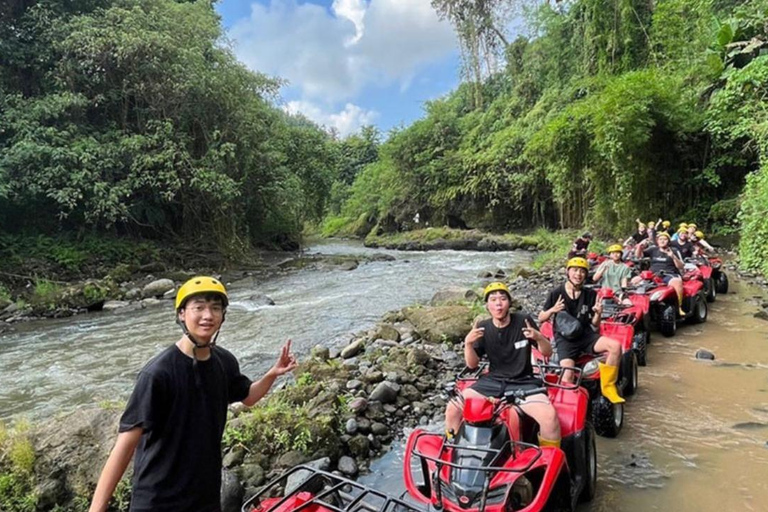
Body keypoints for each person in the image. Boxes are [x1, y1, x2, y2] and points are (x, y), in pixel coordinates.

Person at [89, 277, 298, 512]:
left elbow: (248, 397)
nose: (207, 315)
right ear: (181, 314)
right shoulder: (158, 374)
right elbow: (125, 445)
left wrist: (272, 374)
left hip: (204, 497)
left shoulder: (223, 361)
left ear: (223, 315)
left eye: (215, 308)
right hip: (158, 501)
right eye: (198, 307)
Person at [444, 282, 561, 448]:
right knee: (452, 408)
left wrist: (539, 337)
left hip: (523, 381)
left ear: (509, 303)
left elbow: (547, 353)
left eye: (502, 299)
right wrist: (468, 344)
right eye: (493, 299)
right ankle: (452, 452)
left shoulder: (523, 320)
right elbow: (472, 364)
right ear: (487, 305)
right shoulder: (483, 327)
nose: (498, 303)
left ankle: (549, 464)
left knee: (549, 418)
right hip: (492, 382)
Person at [538, 258, 625, 404]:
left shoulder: (590, 294)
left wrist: (598, 313)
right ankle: (569, 406)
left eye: (582, 271)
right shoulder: (556, 293)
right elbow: (541, 318)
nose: (578, 274)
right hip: (565, 339)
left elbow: (595, 324)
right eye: (575, 270)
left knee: (615, 347)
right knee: (567, 375)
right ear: (568, 272)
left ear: (585, 275)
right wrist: (553, 310)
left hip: (586, 335)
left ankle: (608, 386)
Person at [633, 232, 686, 316]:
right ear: (657, 241)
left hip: (669, 274)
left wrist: (673, 256)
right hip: (653, 274)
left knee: (677, 282)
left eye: (665, 239)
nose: (662, 241)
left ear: (668, 241)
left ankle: (679, 306)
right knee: (634, 280)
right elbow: (638, 256)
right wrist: (639, 247)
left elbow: (681, 266)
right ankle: (634, 305)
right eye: (660, 239)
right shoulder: (653, 249)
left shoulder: (674, 250)